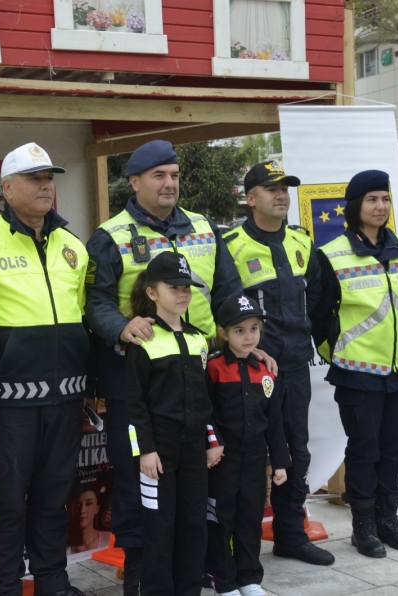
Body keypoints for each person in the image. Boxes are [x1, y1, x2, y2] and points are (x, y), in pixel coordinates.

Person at [84, 140, 247, 594]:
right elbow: (93, 303)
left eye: (174, 174)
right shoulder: (110, 235)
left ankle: (195, 565)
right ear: (134, 183)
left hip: (199, 379)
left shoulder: (203, 228)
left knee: (201, 479)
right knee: (141, 474)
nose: (169, 182)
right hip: (137, 382)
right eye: (158, 175)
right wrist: (122, 326)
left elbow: (227, 294)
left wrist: (247, 342)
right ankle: (140, 566)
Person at [0, 142, 89, 596]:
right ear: (7, 187)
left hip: (65, 397)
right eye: (34, 178)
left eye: (49, 178)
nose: (45, 186)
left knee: (54, 497)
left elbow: (79, 315)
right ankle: (5, 585)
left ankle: (53, 580)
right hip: (7, 402)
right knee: (7, 500)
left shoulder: (72, 244)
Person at [222, 161, 333, 566]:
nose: (282, 195)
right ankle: (232, 546)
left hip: (295, 368)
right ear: (251, 199)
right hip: (248, 373)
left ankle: (290, 534)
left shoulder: (302, 243)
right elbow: (223, 304)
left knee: (295, 453)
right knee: (243, 455)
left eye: (286, 188)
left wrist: (305, 340)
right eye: (272, 189)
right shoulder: (230, 244)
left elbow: (319, 298)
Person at [311, 170, 398, 558]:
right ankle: (362, 527)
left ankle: (387, 521)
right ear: (354, 205)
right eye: (372, 199)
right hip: (358, 375)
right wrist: (338, 352)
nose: (380, 206)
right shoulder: (332, 254)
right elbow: (319, 315)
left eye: (385, 199)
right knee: (364, 450)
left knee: (393, 449)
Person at [125, 252, 221, 596]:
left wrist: (212, 439)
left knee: (195, 525)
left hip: (195, 449)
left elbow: (204, 400)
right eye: (174, 287)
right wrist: (145, 451)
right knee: (159, 528)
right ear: (152, 292)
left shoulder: (198, 339)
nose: (183, 294)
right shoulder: (143, 341)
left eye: (187, 288)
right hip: (158, 452)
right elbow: (134, 407)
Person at [205, 294, 291, 596]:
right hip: (223, 462)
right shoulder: (213, 367)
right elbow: (206, 412)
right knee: (220, 520)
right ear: (223, 333)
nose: (248, 336)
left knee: (250, 519)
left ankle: (249, 578)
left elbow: (275, 420)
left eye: (254, 328)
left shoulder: (265, 370)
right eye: (239, 330)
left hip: (255, 460)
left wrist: (279, 462)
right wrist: (213, 445)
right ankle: (224, 579)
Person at [67, 486, 107, 553]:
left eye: (88, 504)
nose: (82, 510)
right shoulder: (65, 546)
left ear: (97, 509)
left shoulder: (109, 539)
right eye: (77, 505)